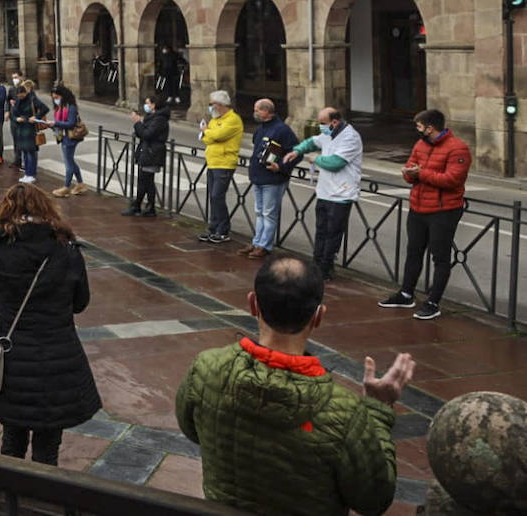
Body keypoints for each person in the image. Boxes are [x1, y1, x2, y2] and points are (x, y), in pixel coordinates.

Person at [176, 256, 411, 515]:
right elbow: (374, 499)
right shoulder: (344, 412)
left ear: (253, 304)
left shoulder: (206, 369)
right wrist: (377, 409)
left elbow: (191, 429)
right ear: (318, 316)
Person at [0, 184, 99, 465]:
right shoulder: (67, 251)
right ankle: (44, 501)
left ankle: (10, 496)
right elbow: (80, 303)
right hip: (58, 355)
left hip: (13, 357)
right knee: (48, 446)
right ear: (47, 210)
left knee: (12, 439)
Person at [380, 109, 472, 320]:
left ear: (430, 128)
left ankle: (432, 302)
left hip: (444, 210)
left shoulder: (458, 148)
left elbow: (452, 180)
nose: (417, 130)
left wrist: (421, 173)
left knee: (439, 256)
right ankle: (406, 294)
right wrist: (410, 174)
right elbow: (410, 168)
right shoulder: (421, 145)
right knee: (413, 251)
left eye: (419, 127)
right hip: (418, 207)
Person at [284, 107, 364, 280]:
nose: (320, 127)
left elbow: (336, 163)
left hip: (342, 194)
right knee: (321, 230)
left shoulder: (350, 137)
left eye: (323, 123)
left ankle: (325, 269)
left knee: (333, 233)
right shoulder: (329, 133)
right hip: (325, 192)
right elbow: (313, 141)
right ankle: (317, 264)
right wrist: (297, 150)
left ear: (334, 122)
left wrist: (316, 159)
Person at [242, 99, 299, 259]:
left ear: (267, 111)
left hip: (273, 179)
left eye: (257, 110)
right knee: (259, 212)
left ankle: (265, 245)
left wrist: (280, 166)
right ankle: (257, 242)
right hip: (259, 177)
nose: (255, 113)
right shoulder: (261, 128)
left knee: (268, 213)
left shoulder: (282, 130)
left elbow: (295, 152)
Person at [197, 91, 243, 245]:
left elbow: (218, 136)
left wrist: (206, 132)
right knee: (213, 196)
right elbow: (207, 139)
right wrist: (208, 133)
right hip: (212, 161)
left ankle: (223, 230)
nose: (210, 107)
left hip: (225, 162)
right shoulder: (215, 119)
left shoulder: (233, 120)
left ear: (220, 105)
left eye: (212, 104)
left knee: (217, 196)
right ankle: (213, 228)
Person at [127, 96, 169, 217]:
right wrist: (140, 125)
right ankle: (148, 207)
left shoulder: (159, 119)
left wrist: (137, 123)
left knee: (144, 181)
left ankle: (138, 206)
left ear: (154, 105)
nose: (146, 106)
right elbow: (144, 132)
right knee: (147, 181)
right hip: (148, 152)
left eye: (147, 103)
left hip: (152, 153)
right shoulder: (153, 117)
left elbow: (147, 134)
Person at [43, 86, 88, 198]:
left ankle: (66, 187)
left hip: (70, 137)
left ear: (63, 96)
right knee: (70, 161)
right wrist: (51, 125)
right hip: (63, 136)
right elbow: (59, 123)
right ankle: (80, 184)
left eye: (57, 97)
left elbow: (71, 124)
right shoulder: (59, 107)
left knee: (68, 163)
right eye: (53, 98)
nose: (55, 99)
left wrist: (56, 124)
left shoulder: (70, 107)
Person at [10, 81, 48, 184]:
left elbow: (45, 108)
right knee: (25, 152)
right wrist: (16, 119)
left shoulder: (32, 99)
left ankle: (32, 174)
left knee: (31, 152)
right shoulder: (18, 101)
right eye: (19, 96)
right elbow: (13, 113)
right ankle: (27, 173)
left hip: (30, 128)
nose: (20, 97)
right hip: (21, 129)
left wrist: (36, 117)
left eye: (22, 95)